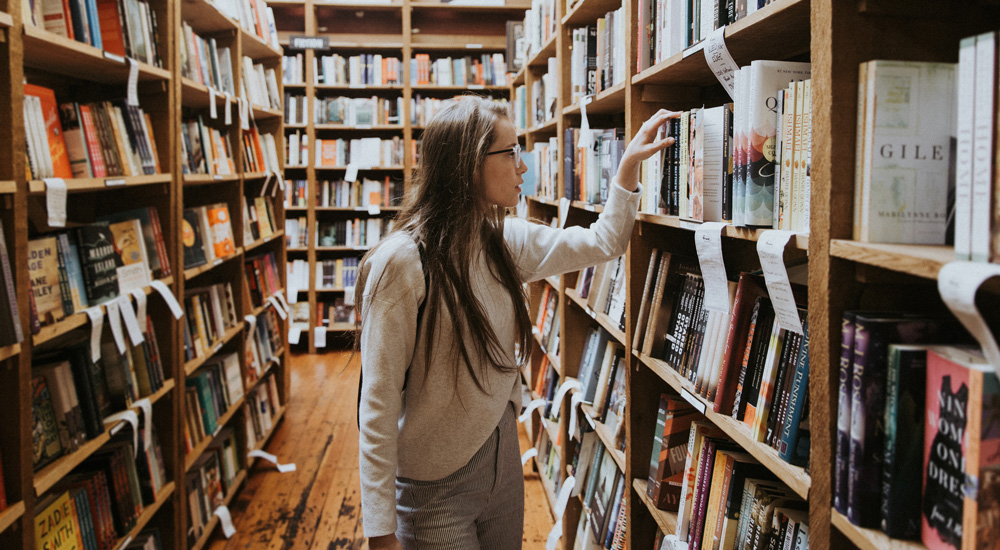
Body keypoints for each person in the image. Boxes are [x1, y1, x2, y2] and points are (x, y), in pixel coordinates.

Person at [356, 96, 677, 550]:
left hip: (501, 460)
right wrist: (380, 530)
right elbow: (378, 401)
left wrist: (624, 171)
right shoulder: (402, 264)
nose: (523, 165)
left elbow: (604, 242)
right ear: (469, 166)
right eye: (510, 152)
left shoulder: (506, 241)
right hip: (433, 487)